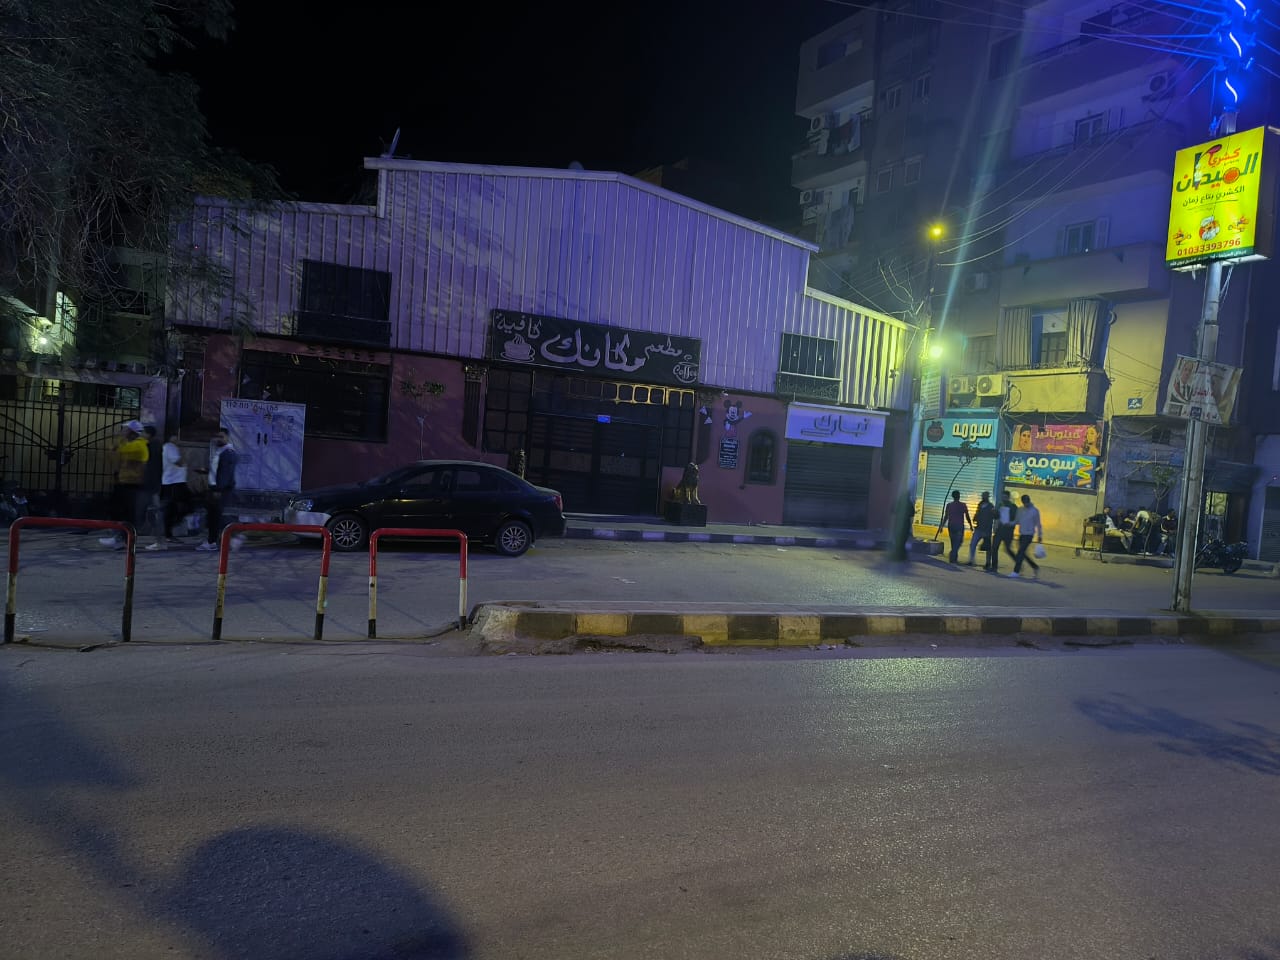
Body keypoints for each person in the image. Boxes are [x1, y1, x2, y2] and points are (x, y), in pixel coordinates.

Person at [99, 421, 149, 549]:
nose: (123, 431)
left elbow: (118, 450)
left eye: (126, 429)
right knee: (121, 511)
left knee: (127, 513)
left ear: (132, 432)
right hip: (127, 482)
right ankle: (122, 538)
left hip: (132, 484)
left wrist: (119, 439)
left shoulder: (138, 445)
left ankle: (124, 539)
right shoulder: (133, 444)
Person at [197, 427, 243, 552]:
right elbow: (218, 470)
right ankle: (213, 541)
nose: (218, 439)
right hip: (216, 488)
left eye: (221, 437)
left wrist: (218, 489)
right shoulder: (221, 451)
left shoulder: (228, 453)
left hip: (221, 490)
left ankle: (232, 537)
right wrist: (206, 471)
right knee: (213, 516)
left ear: (227, 438)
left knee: (217, 516)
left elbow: (225, 474)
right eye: (217, 437)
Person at [159, 431, 189, 544]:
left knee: (176, 508)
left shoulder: (173, 447)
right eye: (176, 436)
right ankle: (168, 533)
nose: (178, 439)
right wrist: (185, 456)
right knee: (174, 508)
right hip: (173, 483)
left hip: (176, 482)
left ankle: (168, 532)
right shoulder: (169, 446)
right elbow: (179, 462)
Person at [140, 426, 166, 551]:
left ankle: (160, 541)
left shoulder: (152, 446)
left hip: (152, 486)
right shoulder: (155, 445)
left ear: (148, 434)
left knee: (155, 513)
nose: (141, 435)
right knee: (153, 513)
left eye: (143, 433)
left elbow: (153, 468)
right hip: (152, 485)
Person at [1009, 493, 1043, 579]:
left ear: (1029, 501)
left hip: (1029, 535)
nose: (1026, 504)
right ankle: (1035, 567)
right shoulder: (1020, 510)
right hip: (1022, 534)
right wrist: (1008, 523)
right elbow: (1016, 521)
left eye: (1027, 502)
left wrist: (1040, 535)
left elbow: (1038, 524)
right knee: (1022, 553)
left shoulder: (1034, 511)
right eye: (1024, 502)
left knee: (1020, 552)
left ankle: (1016, 571)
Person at [941, 489, 973, 564]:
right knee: (958, 542)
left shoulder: (949, 505)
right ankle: (953, 555)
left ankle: (953, 558)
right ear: (959, 496)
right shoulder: (963, 505)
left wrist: (941, 526)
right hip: (959, 527)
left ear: (953, 496)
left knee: (953, 542)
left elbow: (946, 517)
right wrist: (971, 525)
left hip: (951, 526)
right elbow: (967, 516)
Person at [991, 490, 1019, 573]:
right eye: (1003, 497)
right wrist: (994, 513)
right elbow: (997, 517)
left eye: (1005, 497)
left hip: (1008, 531)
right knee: (994, 547)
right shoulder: (1000, 505)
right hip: (1000, 529)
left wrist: (1010, 524)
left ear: (1008, 497)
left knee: (1007, 549)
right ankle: (994, 567)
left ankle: (1018, 562)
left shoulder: (1013, 506)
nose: (1004, 498)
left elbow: (1015, 518)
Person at [969, 491, 996, 568]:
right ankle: (971, 560)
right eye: (983, 496)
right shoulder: (980, 504)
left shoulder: (991, 506)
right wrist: (975, 518)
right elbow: (977, 513)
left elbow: (993, 517)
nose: (983, 497)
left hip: (986, 529)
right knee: (973, 544)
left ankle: (988, 563)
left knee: (987, 547)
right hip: (979, 528)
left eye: (984, 496)